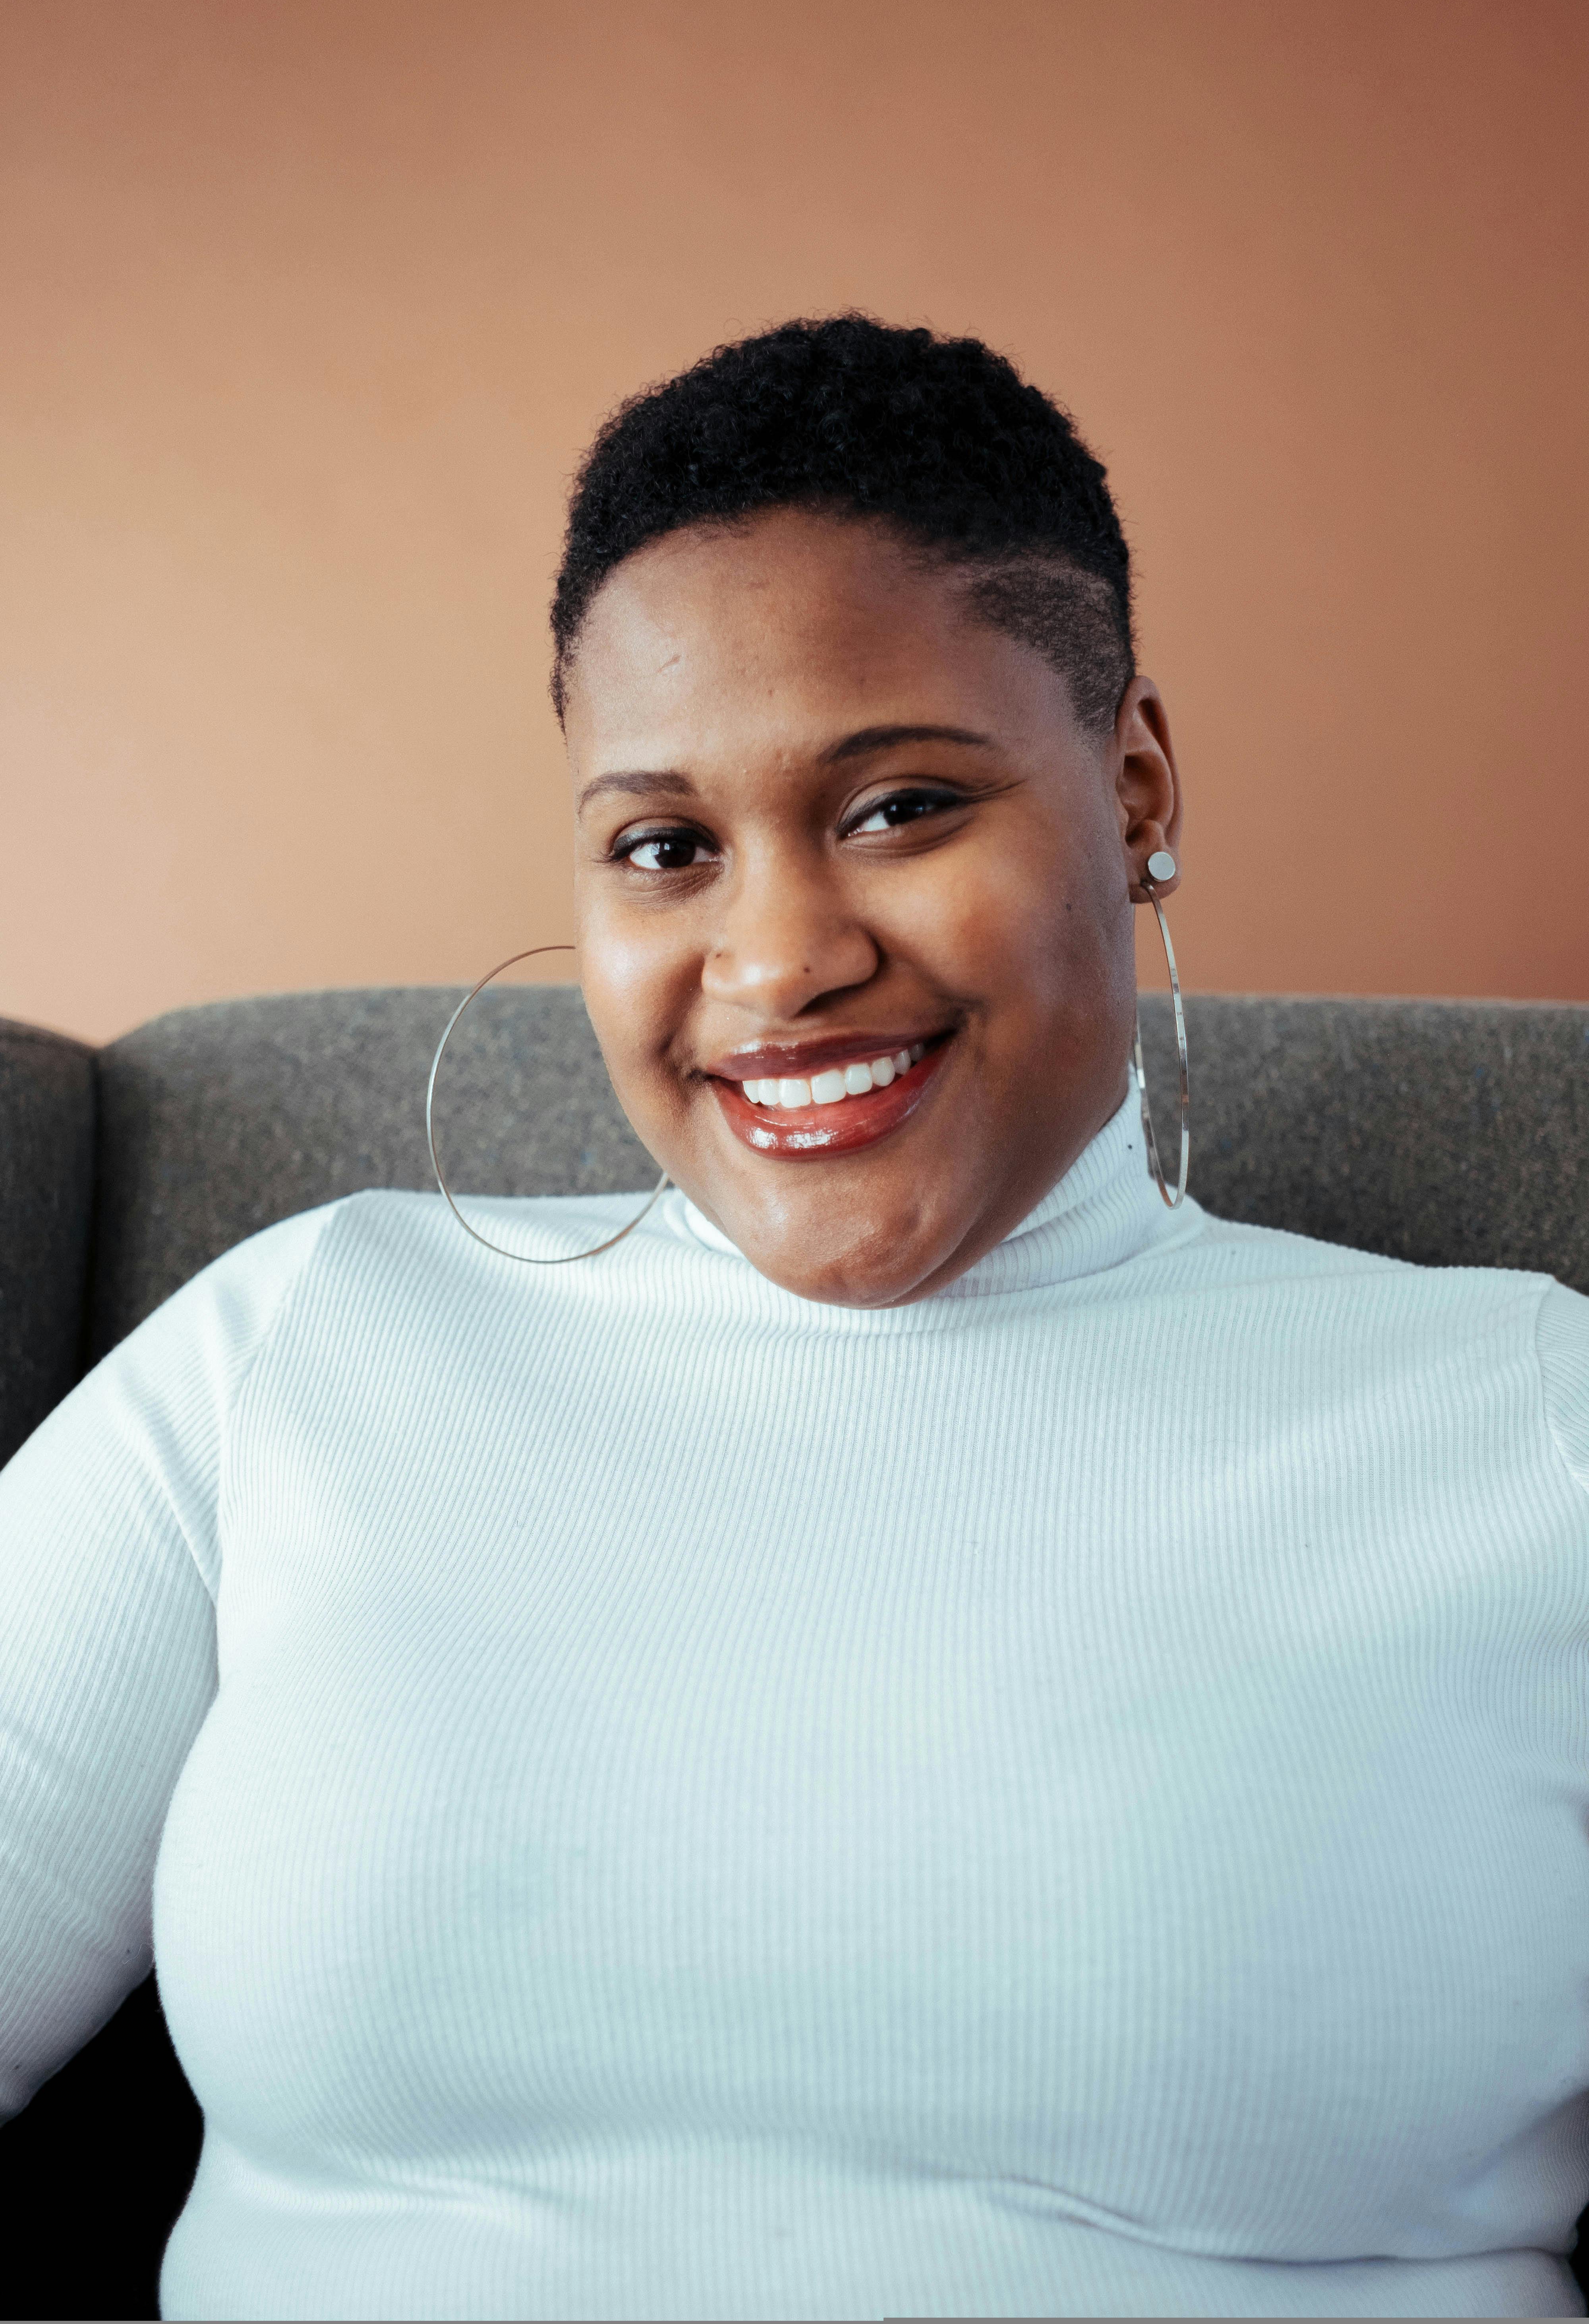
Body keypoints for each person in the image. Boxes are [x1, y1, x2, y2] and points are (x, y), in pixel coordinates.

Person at [2, 313, 1587, 2323]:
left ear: (1133, 783)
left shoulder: (1525, 1421)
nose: (774, 960)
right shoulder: (311, 1350)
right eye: (665, 848)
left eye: (898, 807)